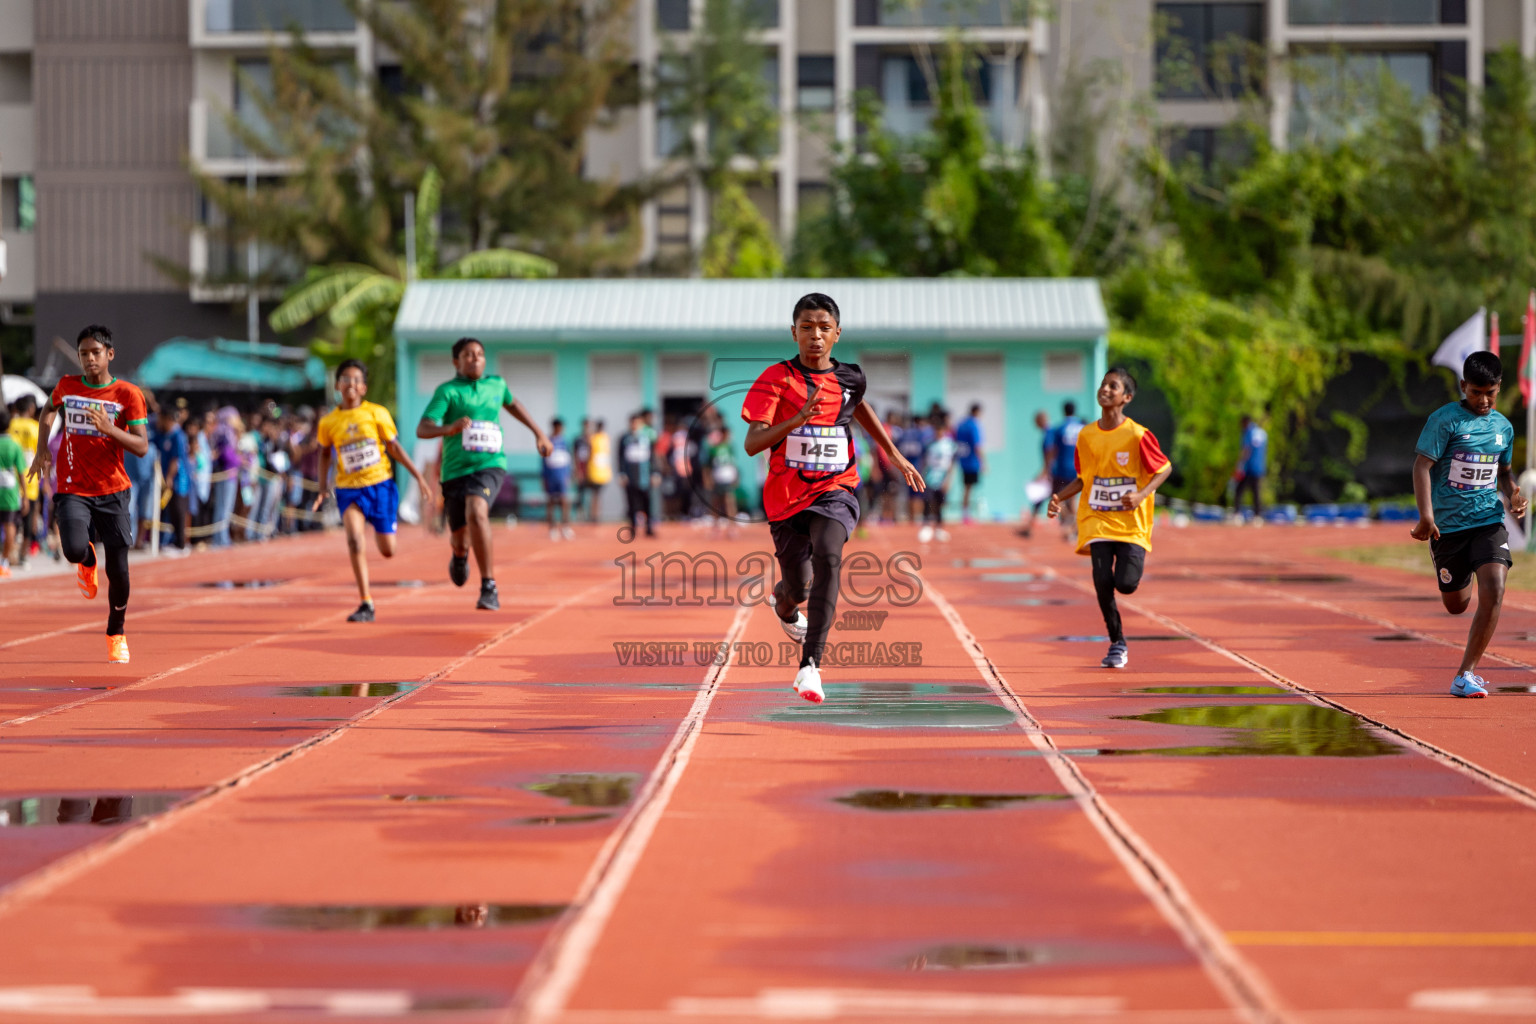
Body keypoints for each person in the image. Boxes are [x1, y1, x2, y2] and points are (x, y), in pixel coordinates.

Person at [742, 292, 923, 704]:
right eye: (807, 328)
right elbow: (753, 443)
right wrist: (796, 420)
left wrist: (893, 454)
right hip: (786, 499)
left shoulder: (851, 378)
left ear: (837, 334)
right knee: (798, 587)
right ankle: (785, 606)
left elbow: (860, 408)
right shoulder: (777, 378)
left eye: (824, 328)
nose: (815, 336)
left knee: (829, 556)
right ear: (794, 332)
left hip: (836, 490)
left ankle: (810, 667)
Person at [26, 325, 150, 663]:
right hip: (73, 486)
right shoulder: (67, 386)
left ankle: (116, 631)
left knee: (120, 571)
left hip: (113, 489)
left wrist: (110, 430)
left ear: (109, 354)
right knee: (73, 549)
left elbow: (141, 445)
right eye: (83, 353)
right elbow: (48, 409)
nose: (89, 359)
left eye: (95, 352)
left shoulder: (127, 394)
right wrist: (41, 450)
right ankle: (87, 560)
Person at [1410, 351, 1526, 698]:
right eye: (1477, 392)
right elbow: (1421, 467)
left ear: (1499, 387)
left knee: (1495, 590)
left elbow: (1503, 473)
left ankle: (1465, 675)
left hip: (1488, 520)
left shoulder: (1503, 427)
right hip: (1449, 528)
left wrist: (1513, 493)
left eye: (1491, 392)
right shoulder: (1445, 420)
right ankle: (1454, 571)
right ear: (1464, 386)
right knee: (1456, 604)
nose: (1485, 399)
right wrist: (1426, 516)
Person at [1048, 368, 1173, 671]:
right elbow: (1083, 478)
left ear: (1126, 397)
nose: (1105, 389)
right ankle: (1117, 642)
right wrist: (1059, 498)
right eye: (1103, 385)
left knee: (1126, 584)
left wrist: (1142, 495)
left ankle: (1121, 617)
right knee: (1102, 581)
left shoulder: (1138, 435)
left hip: (1132, 524)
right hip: (1097, 519)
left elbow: (1164, 469)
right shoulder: (1086, 435)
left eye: (1113, 386)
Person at [417, 337, 551, 611]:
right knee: (459, 537)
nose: (475, 358)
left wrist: (538, 433)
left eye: (479, 354)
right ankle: (459, 555)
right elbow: (423, 428)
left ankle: (488, 585)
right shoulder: (448, 392)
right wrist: (449, 429)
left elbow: (512, 404)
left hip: (490, 464)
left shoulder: (497, 385)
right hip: (455, 470)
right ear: (456, 362)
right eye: (468, 355)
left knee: (477, 511)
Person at [314, 360, 433, 623]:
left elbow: (395, 448)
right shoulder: (329, 422)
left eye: (356, 380)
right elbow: (324, 454)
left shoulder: (377, 413)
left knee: (388, 550)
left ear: (364, 387)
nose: (350, 385)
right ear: (337, 386)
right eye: (345, 379)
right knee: (355, 539)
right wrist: (323, 487)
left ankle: (386, 528)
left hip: (379, 486)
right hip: (348, 489)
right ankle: (366, 601)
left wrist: (418, 477)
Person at [150, 405, 190, 553]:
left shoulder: (177, 435)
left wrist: (169, 478)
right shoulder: (161, 434)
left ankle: (180, 543)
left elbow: (176, 459)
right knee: (167, 511)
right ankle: (167, 540)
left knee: (178, 510)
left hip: (179, 481)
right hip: (164, 480)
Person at [1046, 400, 1085, 542]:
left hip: (1061, 468)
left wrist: (1048, 467)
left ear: (1064, 411)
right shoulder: (1082, 427)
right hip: (1077, 468)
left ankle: (1069, 519)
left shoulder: (1059, 428)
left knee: (1056, 497)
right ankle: (1075, 527)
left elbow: (1052, 449)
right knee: (1073, 498)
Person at [8, 396, 40, 563]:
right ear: (31, 408)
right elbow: (42, 455)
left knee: (11, 520)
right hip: (30, 480)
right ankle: (23, 554)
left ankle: (10, 553)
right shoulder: (36, 427)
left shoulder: (10, 426)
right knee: (28, 520)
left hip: (10, 481)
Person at [617, 412, 658, 540]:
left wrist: (655, 473)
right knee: (632, 504)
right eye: (633, 422)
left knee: (647, 502)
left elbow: (653, 457)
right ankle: (633, 528)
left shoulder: (647, 438)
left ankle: (649, 527)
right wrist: (622, 473)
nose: (635, 425)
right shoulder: (624, 438)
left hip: (644, 475)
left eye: (637, 423)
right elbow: (620, 457)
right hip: (630, 476)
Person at [919, 410, 956, 544]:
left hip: (942, 478)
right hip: (929, 477)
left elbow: (952, 463)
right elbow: (923, 461)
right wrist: (922, 476)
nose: (938, 433)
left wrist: (948, 480)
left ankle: (940, 528)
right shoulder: (928, 443)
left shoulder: (950, 445)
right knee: (928, 502)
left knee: (940, 503)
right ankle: (926, 526)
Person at [1018, 409, 1053, 537]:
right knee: (1040, 500)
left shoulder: (1049, 433)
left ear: (1041, 420)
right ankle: (1029, 528)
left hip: (1052, 473)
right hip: (1051, 472)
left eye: (1036, 421)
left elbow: (1050, 453)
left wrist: (1045, 471)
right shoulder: (1048, 433)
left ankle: (1075, 528)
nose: (1035, 424)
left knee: (1059, 500)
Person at [0, 407, 26, 577]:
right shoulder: (14, 445)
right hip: (9, 489)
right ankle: (4, 562)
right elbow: (21, 471)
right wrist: (24, 495)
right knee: (10, 525)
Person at [543, 416, 575, 540]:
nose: (560, 430)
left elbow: (569, 460)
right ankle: (552, 528)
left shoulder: (565, 442)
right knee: (551, 502)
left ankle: (566, 527)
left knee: (564, 501)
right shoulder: (547, 441)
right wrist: (544, 477)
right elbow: (543, 461)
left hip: (562, 476)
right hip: (551, 476)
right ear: (554, 427)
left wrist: (569, 475)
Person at [1232, 414, 1268, 519]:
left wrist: (1239, 465)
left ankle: (1237, 514)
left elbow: (1246, 450)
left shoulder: (1248, 432)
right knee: (1256, 493)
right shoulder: (1262, 433)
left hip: (1248, 467)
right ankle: (1257, 515)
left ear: (1245, 422)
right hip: (1259, 467)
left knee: (1238, 491)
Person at [955, 402, 985, 523]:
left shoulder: (961, 424)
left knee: (966, 488)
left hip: (963, 460)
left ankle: (965, 513)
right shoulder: (974, 425)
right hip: (972, 461)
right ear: (977, 411)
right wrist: (983, 462)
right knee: (970, 488)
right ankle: (967, 515)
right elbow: (977, 445)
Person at [707, 426, 740, 526]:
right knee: (716, 503)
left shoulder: (730, 448)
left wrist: (736, 477)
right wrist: (709, 479)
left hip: (728, 479)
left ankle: (732, 526)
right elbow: (708, 466)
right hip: (718, 479)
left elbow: (733, 464)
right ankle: (715, 526)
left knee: (729, 502)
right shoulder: (714, 449)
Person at [586, 418, 612, 523]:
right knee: (594, 494)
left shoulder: (605, 437)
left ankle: (596, 515)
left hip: (603, 471)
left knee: (598, 495)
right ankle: (593, 515)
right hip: (594, 470)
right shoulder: (593, 437)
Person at [573, 418, 594, 519]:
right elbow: (575, 455)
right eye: (586, 426)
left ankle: (592, 514)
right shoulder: (578, 439)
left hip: (592, 469)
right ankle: (580, 513)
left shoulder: (594, 439)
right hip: (582, 468)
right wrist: (577, 470)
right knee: (580, 492)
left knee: (592, 492)